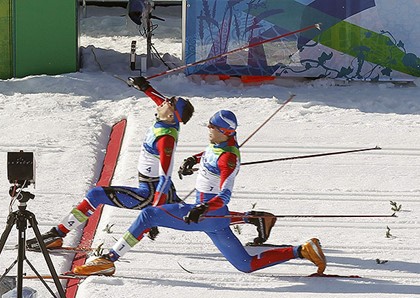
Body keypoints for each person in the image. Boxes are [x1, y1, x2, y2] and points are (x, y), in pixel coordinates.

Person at [73, 109, 327, 276]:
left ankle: (108, 259)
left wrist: (203, 208)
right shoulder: (219, 144)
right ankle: (302, 250)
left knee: (148, 215)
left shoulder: (228, 157)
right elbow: (210, 153)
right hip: (215, 220)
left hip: (209, 213)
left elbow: (225, 193)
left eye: (212, 126)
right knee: (246, 265)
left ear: (224, 131)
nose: (208, 129)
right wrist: (193, 160)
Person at [26, 76, 194, 251]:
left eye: (171, 102)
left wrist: (155, 213)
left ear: (171, 114)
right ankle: (221, 218)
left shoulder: (165, 139)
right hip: (158, 188)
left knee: (96, 195)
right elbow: (161, 101)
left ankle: (57, 235)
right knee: (201, 216)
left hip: (151, 192)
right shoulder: (169, 118)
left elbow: (165, 177)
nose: (165, 100)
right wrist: (145, 87)